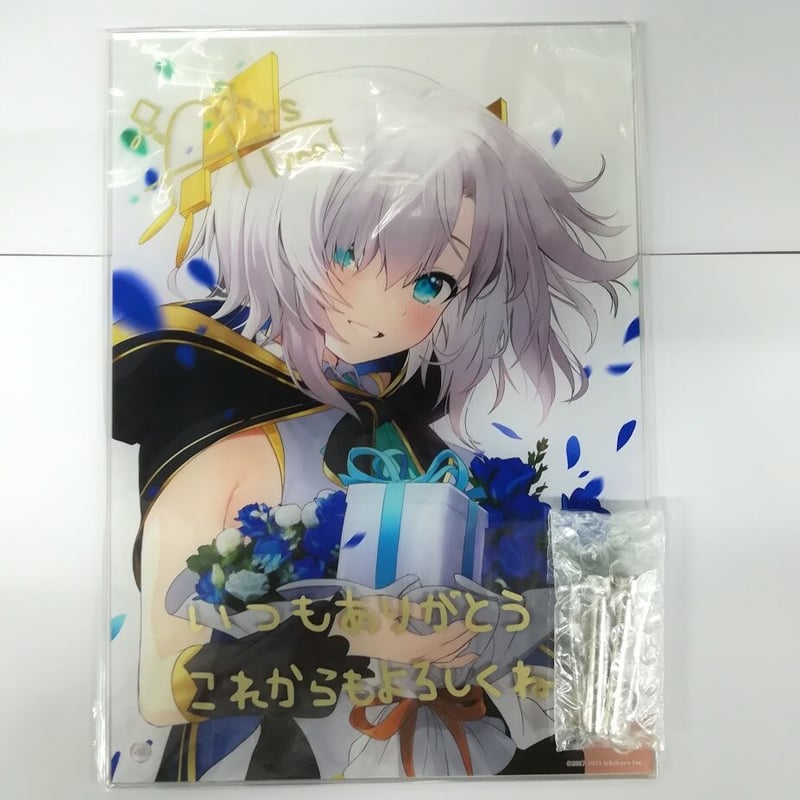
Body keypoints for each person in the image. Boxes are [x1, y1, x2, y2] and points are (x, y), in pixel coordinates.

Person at [112, 55, 635, 781]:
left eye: (432, 281)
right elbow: (161, 689)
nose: (385, 305)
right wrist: (349, 639)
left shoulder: (413, 439)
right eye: (349, 251)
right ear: (273, 228)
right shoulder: (232, 447)